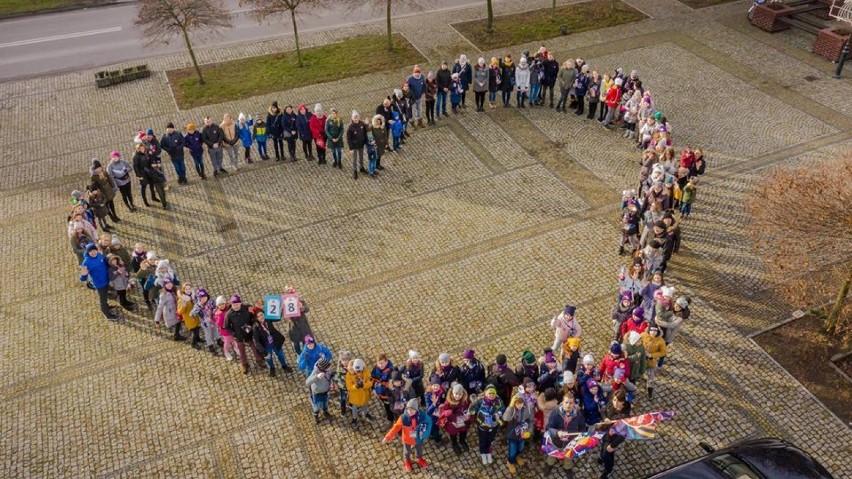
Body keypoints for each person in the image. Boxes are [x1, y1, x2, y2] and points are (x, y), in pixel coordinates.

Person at [382, 398, 432, 473]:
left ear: (417, 409)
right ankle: (406, 460)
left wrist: (425, 434)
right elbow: (395, 428)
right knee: (406, 452)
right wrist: (388, 437)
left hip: (418, 438)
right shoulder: (403, 418)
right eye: (408, 409)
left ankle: (419, 458)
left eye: (412, 409)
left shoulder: (422, 416)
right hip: (407, 439)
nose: (410, 411)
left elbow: (429, 422)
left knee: (419, 450)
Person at [545, 393, 585, 478]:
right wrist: (557, 433)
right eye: (566, 402)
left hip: (570, 443)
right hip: (555, 441)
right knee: (552, 455)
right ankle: (549, 464)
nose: (568, 405)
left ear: (574, 403)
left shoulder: (578, 413)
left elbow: (582, 426)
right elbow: (548, 428)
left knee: (568, 456)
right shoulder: (555, 412)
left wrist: (581, 435)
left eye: (571, 403)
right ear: (562, 402)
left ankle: (567, 467)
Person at [225, 295, 264, 375]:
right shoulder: (229, 314)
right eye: (233, 305)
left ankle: (259, 360)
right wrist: (234, 334)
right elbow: (227, 327)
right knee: (241, 352)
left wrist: (252, 326)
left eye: (237, 304)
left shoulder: (247, 308)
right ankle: (244, 364)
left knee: (255, 348)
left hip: (250, 334)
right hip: (239, 336)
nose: (235, 306)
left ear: (240, 303)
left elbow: (254, 316)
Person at [469, 384, 504, 465]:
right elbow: (472, 411)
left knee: (490, 440)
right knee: (483, 440)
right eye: (489, 393)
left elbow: (502, 409)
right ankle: (483, 453)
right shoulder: (480, 401)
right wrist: (473, 405)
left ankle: (488, 452)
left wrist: (499, 413)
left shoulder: (499, 401)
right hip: (482, 426)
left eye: (493, 394)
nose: (491, 395)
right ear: (485, 393)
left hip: (493, 425)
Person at [80, 244, 116, 320]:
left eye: (94, 250)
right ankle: (107, 314)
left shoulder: (100, 255)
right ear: (88, 252)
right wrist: (83, 275)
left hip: (106, 280)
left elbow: (105, 264)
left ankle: (106, 307)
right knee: (102, 299)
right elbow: (83, 278)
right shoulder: (86, 262)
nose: (93, 252)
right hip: (99, 283)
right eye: (91, 251)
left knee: (106, 295)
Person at [252, 309, 291, 376]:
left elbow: (278, 318)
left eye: (262, 315)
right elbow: (256, 340)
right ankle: (272, 368)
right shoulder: (255, 327)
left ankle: (284, 366)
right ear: (256, 318)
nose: (261, 317)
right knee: (269, 358)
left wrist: (281, 310)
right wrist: (263, 351)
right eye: (258, 316)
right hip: (266, 346)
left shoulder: (268, 319)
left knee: (281, 355)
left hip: (274, 342)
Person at [502, 395, 533, 474]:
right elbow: (505, 418)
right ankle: (510, 462)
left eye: (521, 403)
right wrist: (510, 406)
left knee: (521, 448)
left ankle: (517, 456)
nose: (519, 405)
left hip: (523, 434)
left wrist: (529, 431)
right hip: (513, 435)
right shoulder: (512, 409)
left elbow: (531, 421)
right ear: (514, 403)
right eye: (517, 403)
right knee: (512, 452)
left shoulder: (528, 409)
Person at [438, 383, 472, 455]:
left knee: (463, 433)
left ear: (463, 394)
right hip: (452, 424)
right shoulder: (448, 402)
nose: (458, 396)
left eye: (460, 394)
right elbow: (442, 412)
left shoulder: (466, 401)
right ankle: (454, 444)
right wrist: (451, 411)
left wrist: (469, 420)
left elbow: (470, 410)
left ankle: (462, 441)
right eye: (456, 394)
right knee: (453, 435)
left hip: (463, 423)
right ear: (452, 393)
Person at [190, 288, 220, 356]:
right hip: (205, 323)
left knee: (216, 330)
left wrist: (215, 310)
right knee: (208, 334)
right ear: (199, 298)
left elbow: (215, 307)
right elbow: (192, 314)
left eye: (205, 297)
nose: (204, 299)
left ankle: (219, 340)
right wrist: (198, 307)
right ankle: (210, 345)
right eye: (201, 298)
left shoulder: (211, 301)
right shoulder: (198, 305)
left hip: (213, 320)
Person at [346, 358, 373, 428]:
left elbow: (370, 382)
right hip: (355, 397)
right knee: (354, 408)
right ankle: (354, 419)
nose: (357, 372)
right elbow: (349, 387)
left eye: (359, 371)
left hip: (364, 395)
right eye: (356, 371)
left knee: (365, 406)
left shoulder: (366, 372)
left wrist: (364, 385)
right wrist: (356, 386)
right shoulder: (349, 375)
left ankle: (366, 414)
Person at [642, 326, 667, 399]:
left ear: (657, 331)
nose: (653, 332)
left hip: (651, 362)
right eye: (651, 330)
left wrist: (652, 355)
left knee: (651, 377)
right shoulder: (643, 335)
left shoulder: (661, 340)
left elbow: (663, 352)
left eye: (655, 331)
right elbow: (638, 343)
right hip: (641, 360)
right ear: (649, 330)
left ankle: (650, 390)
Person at [306, 356, 333, 423]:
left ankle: (325, 412)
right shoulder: (315, 371)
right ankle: (316, 416)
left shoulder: (328, 369)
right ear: (323, 368)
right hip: (317, 393)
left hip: (326, 391)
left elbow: (331, 375)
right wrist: (316, 377)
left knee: (325, 404)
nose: (330, 368)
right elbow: (307, 382)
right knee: (317, 407)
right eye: (328, 367)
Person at [371, 353, 396, 422]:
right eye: (379, 363)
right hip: (380, 393)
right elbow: (372, 379)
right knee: (386, 404)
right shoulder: (375, 369)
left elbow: (392, 384)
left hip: (388, 394)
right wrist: (373, 388)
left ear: (386, 361)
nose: (380, 365)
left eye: (382, 363)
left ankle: (391, 418)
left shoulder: (391, 371)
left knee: (390, 406)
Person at [177, 283, 202, 349]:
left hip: (195, 316)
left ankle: (198, 339)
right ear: (183, 290)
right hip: (189, 318)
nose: (188, 290)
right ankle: (193, 343)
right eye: (186, 289)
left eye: (189, 289)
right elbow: (179, 311)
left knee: (197, 328)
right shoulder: (182, 299)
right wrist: (183, 306)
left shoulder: (193, 296)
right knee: (194, 331)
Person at [346, 110, 368, 180]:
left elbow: (365, 132)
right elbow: (349, 139)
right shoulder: (350, 127)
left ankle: (361, 168)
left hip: (361, 144)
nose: (356, 119)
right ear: (352, 118)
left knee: (361, 157)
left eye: (357, 117)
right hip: (354, 145)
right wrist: (351, 148)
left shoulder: (362, 124)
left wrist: (366, 141)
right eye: (354, 118)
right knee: (354, 159)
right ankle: (355, 170)